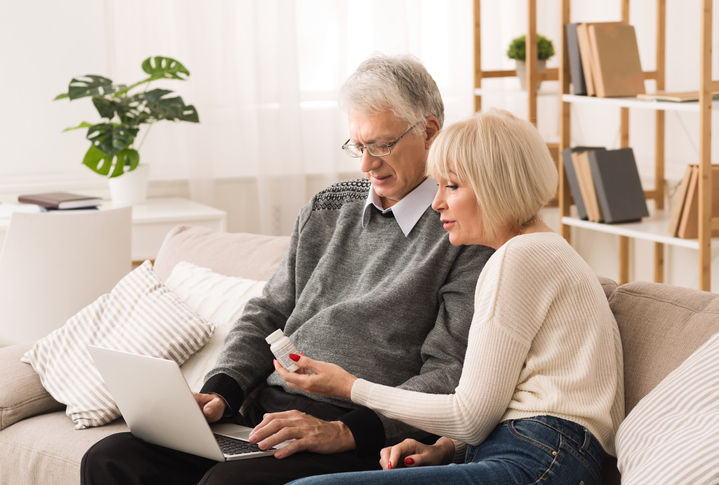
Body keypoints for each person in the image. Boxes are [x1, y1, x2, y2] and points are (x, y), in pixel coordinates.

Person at [81, 54, 494, 485]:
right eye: (358, 146)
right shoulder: (328, 207)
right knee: (111, 458)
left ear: (429, 131)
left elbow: (449, 371)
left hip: (355, 430)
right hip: (264, 413)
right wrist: (223, 391)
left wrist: (345, 431)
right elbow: (268, 312)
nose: (366, 164)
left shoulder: (465, 228)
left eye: (382, 145)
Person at [278, 109, 625, 485]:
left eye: (452, 186)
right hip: (545, 455)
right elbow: (499, 401)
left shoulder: (517, 257)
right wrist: (447, 449)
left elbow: (470, 417)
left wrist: (350, 387)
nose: (436, 203)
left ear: (497, 187)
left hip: (538, 456)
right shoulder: (545, 251)